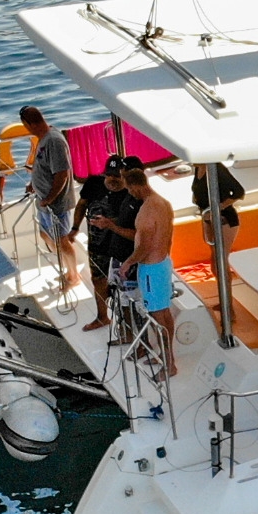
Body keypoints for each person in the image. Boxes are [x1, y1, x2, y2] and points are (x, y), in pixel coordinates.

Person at [115, 158, 177, 377]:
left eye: (130, 189)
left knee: (159, 317)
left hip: (152, 268)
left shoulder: (149, 210)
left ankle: (169, 365)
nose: (130, 194)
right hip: (162, 264)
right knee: (163, 314)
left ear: (137, 186)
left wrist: (129, 262)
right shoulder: (163, 203)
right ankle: (164, 355)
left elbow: (146, 245)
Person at [72, 161, 139, 332]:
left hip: (119, 247)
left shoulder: (130, 194)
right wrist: (74, 228)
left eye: (117, 176)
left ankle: (128, 328)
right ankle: (102, 317)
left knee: (122, 287)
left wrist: (109, 223)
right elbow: (81, 205)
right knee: (97, 280)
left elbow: (133, 223)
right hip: (97, 245)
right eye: (109, 175)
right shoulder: (93, 183)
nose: (112, 179)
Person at [20, 105, 79, 289]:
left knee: (62, 240)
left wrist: (51, 198)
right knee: (45, 234)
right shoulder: (42, 139)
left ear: (29, 124)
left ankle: (73, 275)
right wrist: (33, 184)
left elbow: (62, 173)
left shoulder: (53, 141)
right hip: (43, 200)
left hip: (56, 203)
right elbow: (42, 166)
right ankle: (65, 266)